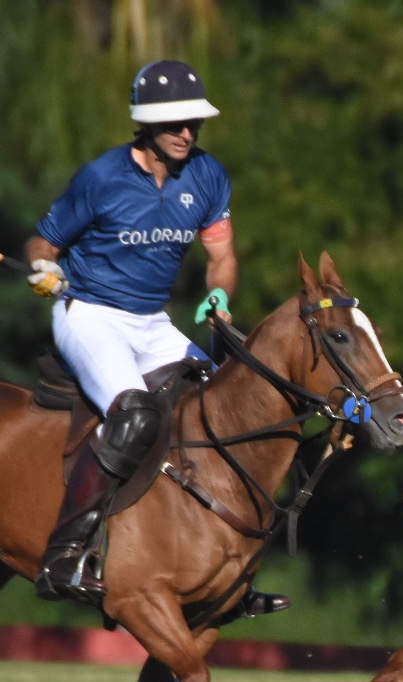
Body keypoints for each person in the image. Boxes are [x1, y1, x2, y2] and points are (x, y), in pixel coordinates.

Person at [24, 59, 275, 610]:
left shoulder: (208, 177)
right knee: (135, 413)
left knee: (229, 404)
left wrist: (219, 293)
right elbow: (43, 245)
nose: (187, 133)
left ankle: (223, 567)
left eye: (194, 124)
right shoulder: (101, 178)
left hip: (153, 323)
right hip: (89, 314)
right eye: (175, 124)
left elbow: (222, 255)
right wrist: (45, 270)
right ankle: (65, 553)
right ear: (147, 126)